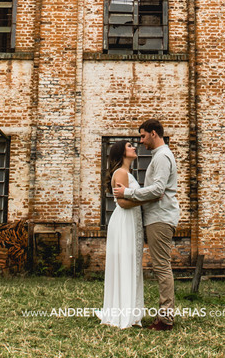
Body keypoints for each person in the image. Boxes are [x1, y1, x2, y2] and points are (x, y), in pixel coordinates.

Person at [114, 118, 179, 331]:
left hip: (160, 218)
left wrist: (128, 192)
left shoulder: (162, 157)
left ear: (153, 133)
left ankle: (166, 319)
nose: (141, 141)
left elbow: (158, 189)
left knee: (161, 266)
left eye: (143, 136)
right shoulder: (158, 156)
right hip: (156, 216)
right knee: (160, 266)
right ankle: (164, 316)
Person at [97, 140, 145, 329]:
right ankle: (122, 312)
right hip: (125, 220)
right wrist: (147, 199)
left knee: (132, 263)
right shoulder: (121, 173)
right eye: (129, 146)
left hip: (132, 220)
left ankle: (131, 311)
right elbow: (123, 202)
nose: (134, 147)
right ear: (121, 152)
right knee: (126, 263)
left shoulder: (127, 173)